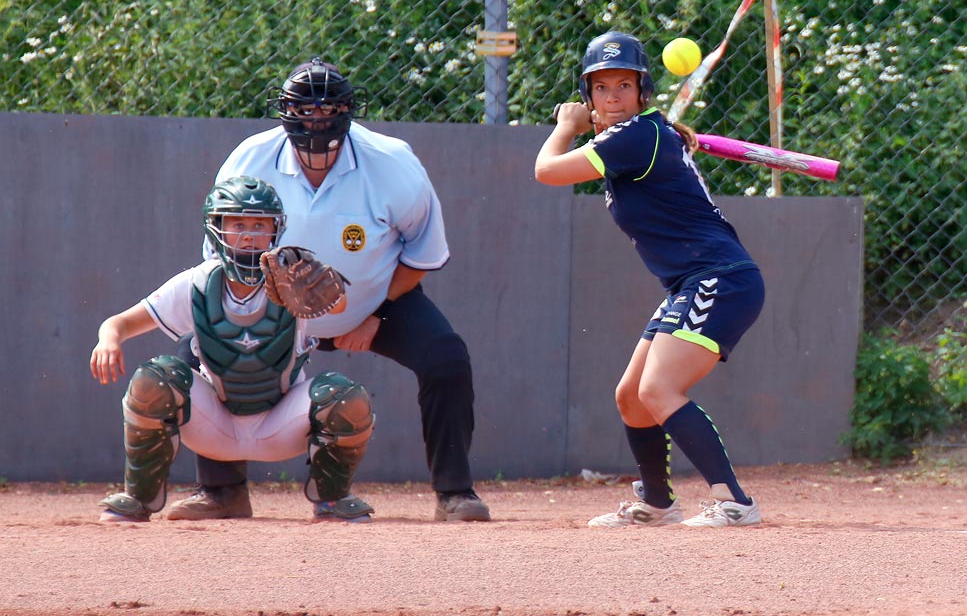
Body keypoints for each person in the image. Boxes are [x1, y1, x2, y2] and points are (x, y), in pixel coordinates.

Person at [168, 60, 490, 522]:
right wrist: (254, 311)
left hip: (375, 299)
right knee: (198, 353)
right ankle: (222, 492)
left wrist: (376, 315)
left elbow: (422, 253)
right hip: (270, 308)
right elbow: (222, 255)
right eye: (304, 111)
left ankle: (455, 493)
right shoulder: (250, 160)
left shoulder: (392, 163)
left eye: (329, 110)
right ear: (284, 114)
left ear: (348, 113)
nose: (316, 121)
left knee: (447, 357)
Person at [534, 30, 764, 528]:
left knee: (659, 389)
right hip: (693, 282)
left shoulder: (637, 135)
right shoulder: (645, 135)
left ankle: (735, 504)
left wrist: (566, 126)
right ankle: (658, 503)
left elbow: (547, 170)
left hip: (719, 278)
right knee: (632, 395)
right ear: (589, 92)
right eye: (600, 88)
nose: (612, 97)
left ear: (642, 92)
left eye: (623, 86)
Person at [90, 176, 376, 523]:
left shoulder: (291, 280)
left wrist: (323, 287)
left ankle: (332, 499)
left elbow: (340, 305)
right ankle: (137, 497)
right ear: (217, 229)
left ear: (276, 229)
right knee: (154, 378)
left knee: (345, 396)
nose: (249, 234)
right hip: (216, 425)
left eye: (260, 224)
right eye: (237, 223)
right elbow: (119, 322)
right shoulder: (197, 283)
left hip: (281, 423)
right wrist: (109, 340)